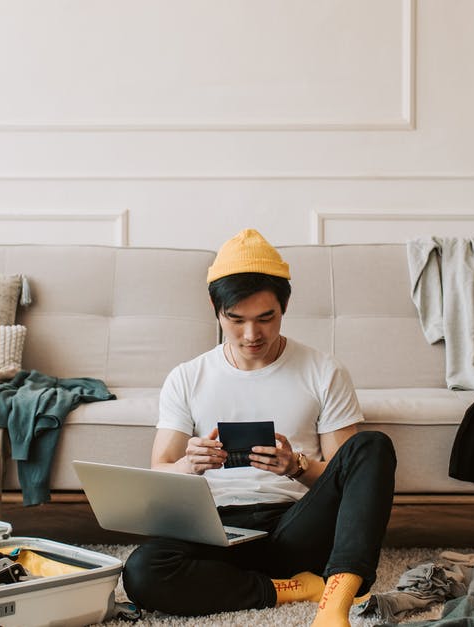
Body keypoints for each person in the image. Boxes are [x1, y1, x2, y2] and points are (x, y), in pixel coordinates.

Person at [122, 229, 397, 626]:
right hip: (217, 528)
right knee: (142, 572)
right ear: (217, 313)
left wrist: (297, 466)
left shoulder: (324, 370)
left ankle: (336, 602)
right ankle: (295, 588)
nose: (252, 335)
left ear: (283, 308)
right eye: (236, 320)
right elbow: (159, 469)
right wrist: (189, 464)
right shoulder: (187, 376)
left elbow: (348, 477)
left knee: (372, 445)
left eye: (266, 318)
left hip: (296, 525)